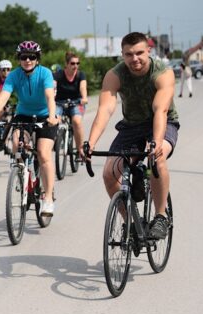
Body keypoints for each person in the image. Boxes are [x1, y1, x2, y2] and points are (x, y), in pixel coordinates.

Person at [84, 32, 179, 240]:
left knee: (157, 157)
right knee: (109, 174)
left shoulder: (163, 73)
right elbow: (105, 109)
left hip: (163, 122)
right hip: (131, 127)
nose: (134, 58)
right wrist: (90, 143)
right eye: (129, 54)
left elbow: (160, 110)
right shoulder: (114, 75)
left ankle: (161, 216)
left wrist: (155, 142)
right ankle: (133, 223)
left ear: (149, 51)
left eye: (139, 53)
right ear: (122, 54)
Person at [0, 41, 59, 216]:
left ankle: (48, 198)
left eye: (31, 57)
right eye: (24, 57)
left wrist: (51, 116)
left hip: (44, 116)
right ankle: (21, 173)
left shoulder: (45, 73)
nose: (28, 60)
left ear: (37, 58)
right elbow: (4, 97)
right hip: (23, 115)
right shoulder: (14, 75)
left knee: (43, 153)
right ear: (19, 59)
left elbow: (50, 96)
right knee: (16, 144)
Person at [53, 51, 88, 157]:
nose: (75, 66)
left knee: (76, 121)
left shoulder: (80, 75)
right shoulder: (58, 75)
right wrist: (51, 96)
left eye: (77, 63)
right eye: (72, 63)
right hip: (59, 103)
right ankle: (57, 141)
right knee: (54, 120)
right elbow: (53, 87)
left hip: (76, 102)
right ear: (66, 64)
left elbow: (83, 87)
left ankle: (80, 150)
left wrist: (84, 98)